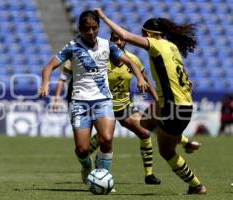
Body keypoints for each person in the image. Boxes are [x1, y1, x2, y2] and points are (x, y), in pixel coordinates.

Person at [54, 30, 201, 186]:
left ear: (125, 42)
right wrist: (58, 97)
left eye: (120, 39)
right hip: (103, 105)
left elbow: (146, 80)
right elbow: (66, 76)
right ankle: (89, 166)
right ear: (109, 40)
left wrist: (157, 99)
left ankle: (149, 174)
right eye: (114, 39)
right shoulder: (100, 56)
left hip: (124, 107)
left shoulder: (132, 59)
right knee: (87, 149)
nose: (117, 42)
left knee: (145, 132)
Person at [93, 8, 206, 194]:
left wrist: (103, 16)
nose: (143, 37)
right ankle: (184, 142)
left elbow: (124, 35)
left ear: (150, 34)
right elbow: (184, 76)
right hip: (181, 104)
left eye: (144, 34)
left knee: (165, 151)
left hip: (173, 108)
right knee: (146, 123)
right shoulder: (172, 47)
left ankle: (196, 185)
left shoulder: (156, 44)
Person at [39, 10, 148, 185]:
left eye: (94, 28)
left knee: (106, 139)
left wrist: (141, 78)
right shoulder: (72, 47)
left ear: (98, 28)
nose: (91, 33)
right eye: (87, 29)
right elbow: (48, 67)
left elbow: (131, 63)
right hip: (80, 103)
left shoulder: (108, 45)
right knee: (82, 150)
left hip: (103, 101)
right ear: (80, 29)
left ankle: (103, 178)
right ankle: (86, 166)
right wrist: (45, 83)